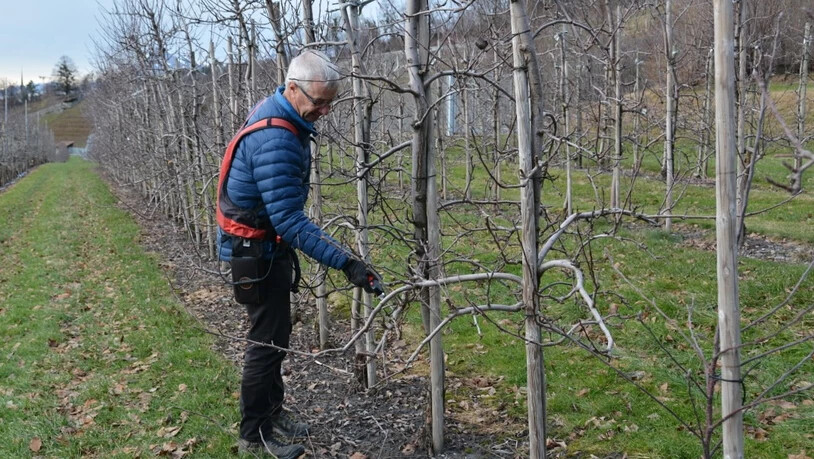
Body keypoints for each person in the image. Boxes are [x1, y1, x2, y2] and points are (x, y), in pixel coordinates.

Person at [216, 49, 383, 458]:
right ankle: (254, 437)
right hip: (255, 253)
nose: (324, 111)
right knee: (266, 343)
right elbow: (290, 220)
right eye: (319, 102)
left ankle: (272, 412)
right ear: (293, 89)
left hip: (261, 246)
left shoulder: (280, 112)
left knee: (277, 336)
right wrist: (348, 263)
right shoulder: (278, 140)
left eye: (330, 102)